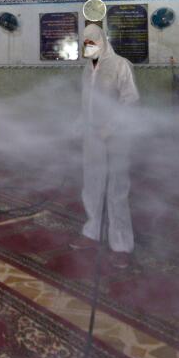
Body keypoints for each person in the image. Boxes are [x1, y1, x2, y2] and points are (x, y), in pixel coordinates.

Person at [70, 22, 139, 268]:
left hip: (116, 138)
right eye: (85, 43)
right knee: (92, 186)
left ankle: (121, 244)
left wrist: (112, 126)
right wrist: (80, 123)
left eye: (92, 42)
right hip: (92, 138)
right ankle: (92, 233)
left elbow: (131, 99)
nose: (89, 47)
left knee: (116, 190)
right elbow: (87, 104)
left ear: (102, 41)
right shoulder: (87, 70)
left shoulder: (120, 65)